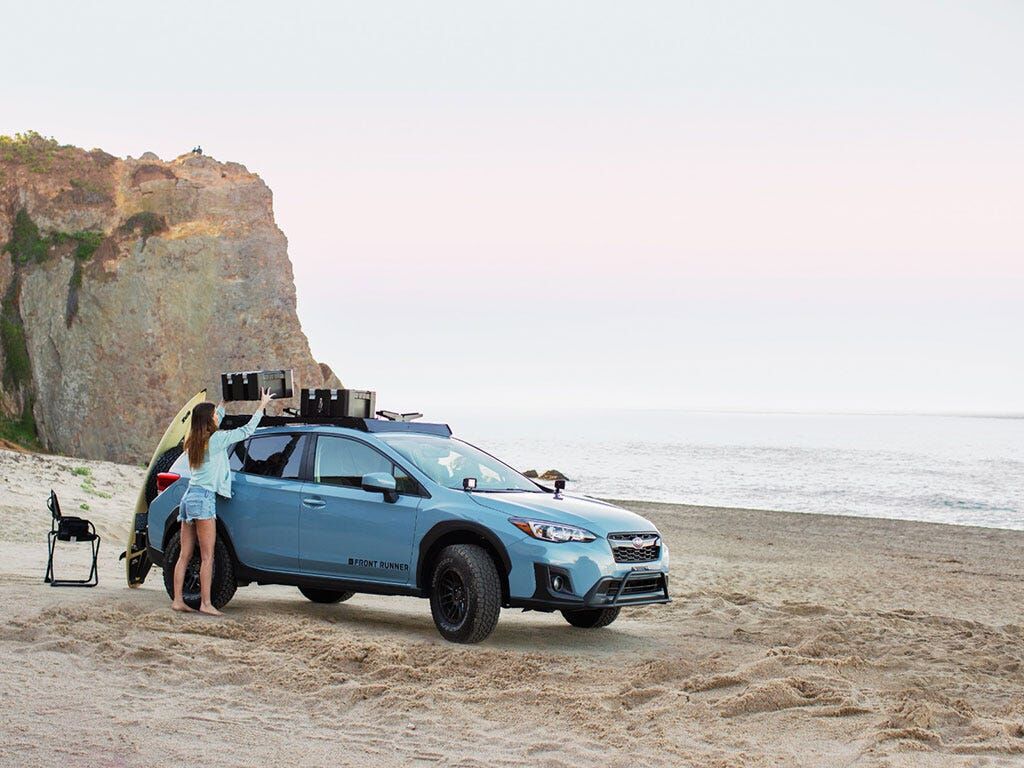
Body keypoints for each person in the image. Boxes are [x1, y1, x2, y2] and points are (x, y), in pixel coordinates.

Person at [171, 388, 274, 615]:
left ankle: (178, 600)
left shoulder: (193, 440)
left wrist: (223, 404)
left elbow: (214, 417)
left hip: (189, 497)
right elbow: (246, 431)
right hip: (204, 499)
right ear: (209, 421)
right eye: (214, 416)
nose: (217, 418)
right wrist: (262, 405)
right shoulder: (216, 440)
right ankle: (206, 604)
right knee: (208, 556)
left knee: (184, 554)